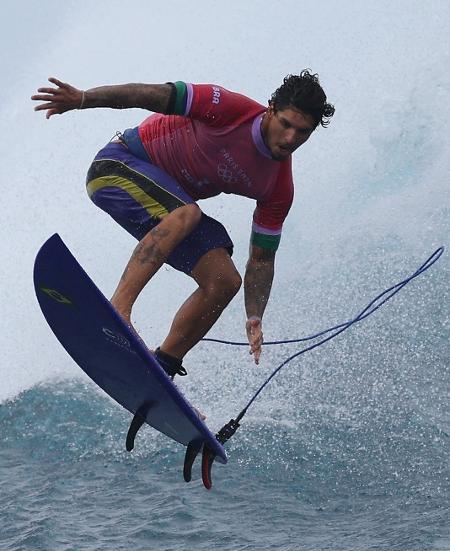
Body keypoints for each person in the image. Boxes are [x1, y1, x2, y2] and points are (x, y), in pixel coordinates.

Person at [32, 71, 334, 378]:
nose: (290, 139)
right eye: (286, 124)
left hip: (167, 209)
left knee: (224, 281)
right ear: (270, 109)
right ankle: (118, 310)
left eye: (302, 132)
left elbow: (261, 259)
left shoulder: (278, 187)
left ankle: (163, 366)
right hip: (115, 168)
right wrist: (82, 99)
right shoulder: (228, 108)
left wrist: (254, 314)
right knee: (187, 214)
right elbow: (146, 94)